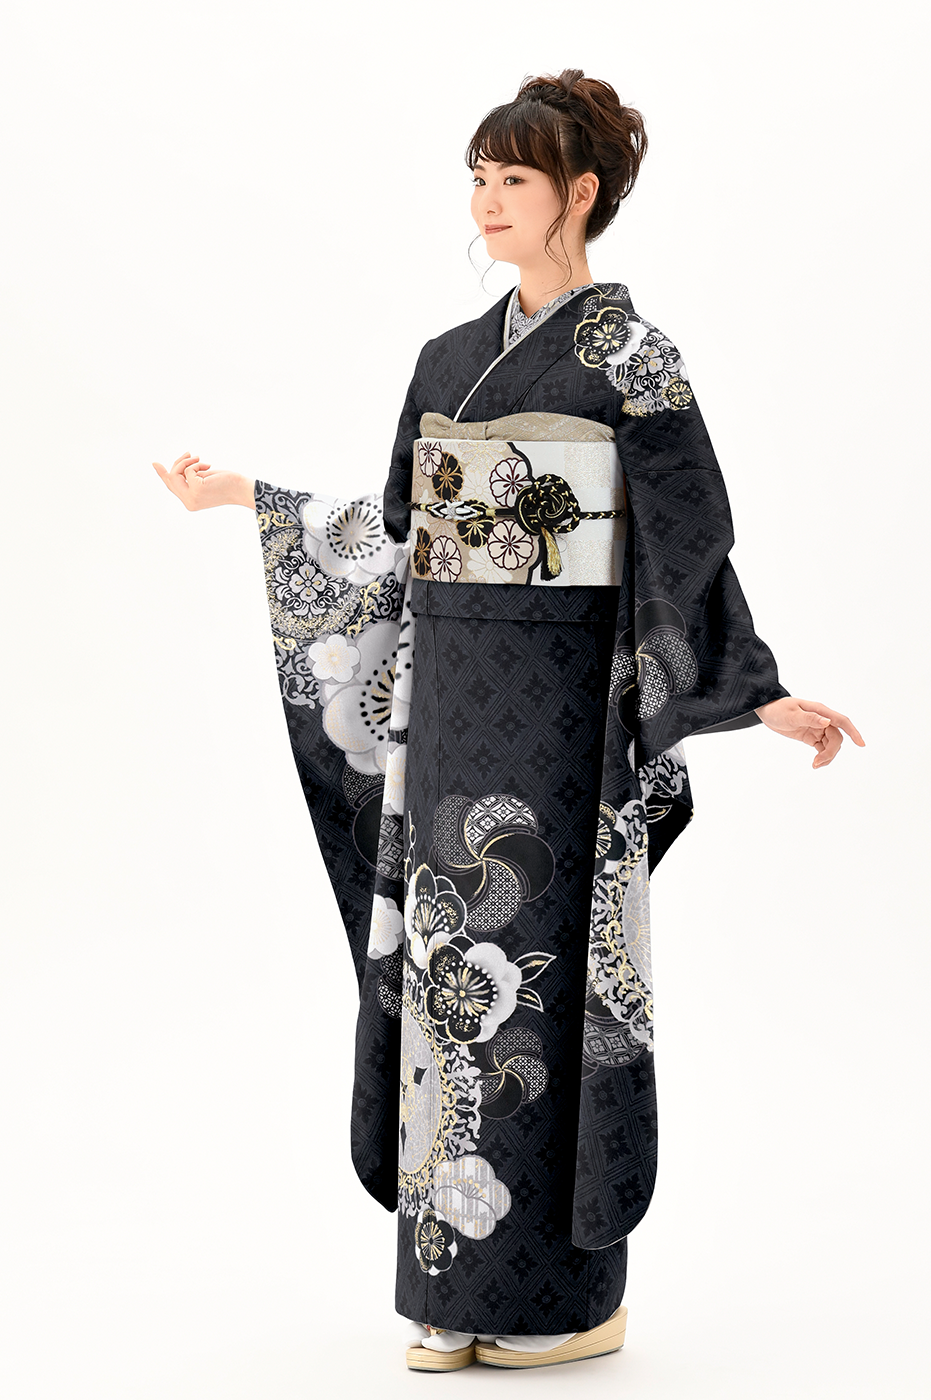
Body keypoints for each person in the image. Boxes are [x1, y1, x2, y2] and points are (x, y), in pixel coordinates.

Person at [153, 69, 864, 1373]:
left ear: (578, 193)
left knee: (546, 981)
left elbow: (689, 543)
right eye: (477, 178)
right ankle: (448, 1286)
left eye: (513, 179)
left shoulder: (633, 359)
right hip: (447, 718)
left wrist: (756, 693)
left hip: (566, 719)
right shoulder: (444, 360)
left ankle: (563, 1303)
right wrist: (248, 498)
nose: (485, 201)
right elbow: (398, 543)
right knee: (451, 979)